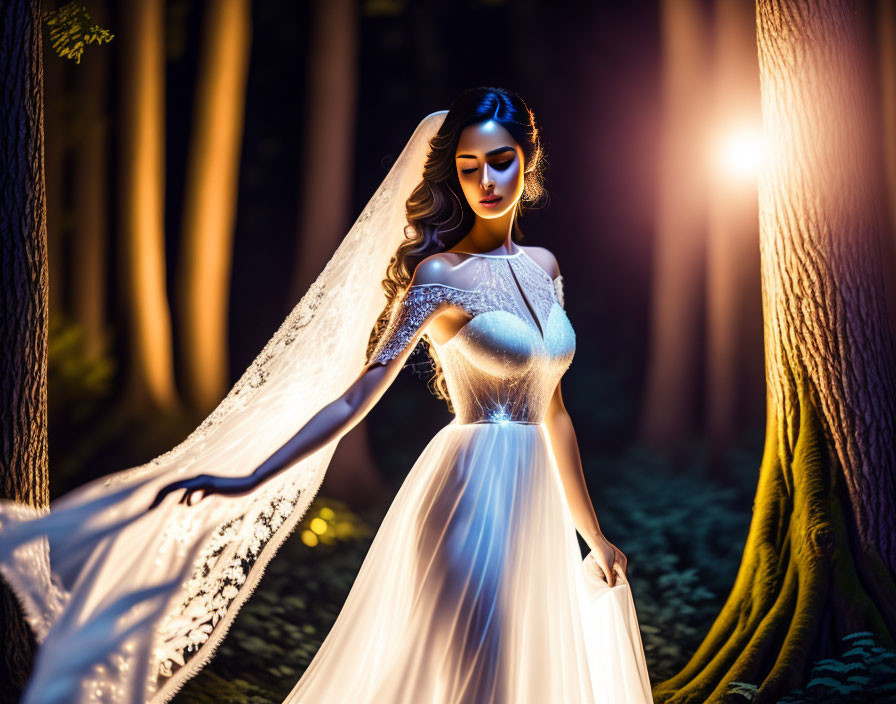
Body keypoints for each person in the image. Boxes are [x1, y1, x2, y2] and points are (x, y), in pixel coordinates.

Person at [0, 87, 653, 704]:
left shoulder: (545, 269)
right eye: (468, 165)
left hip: (535, 503)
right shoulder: (438, 275)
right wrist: (252, 474)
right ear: (452, 173)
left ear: (527, 160)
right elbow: (355, 395)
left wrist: (590, 534)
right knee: (474, 670)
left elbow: (554, 413)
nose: (485, 181)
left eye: (501, 162)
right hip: (467, 493)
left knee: (521, 675)